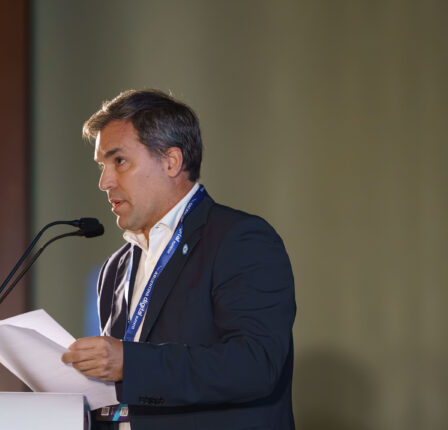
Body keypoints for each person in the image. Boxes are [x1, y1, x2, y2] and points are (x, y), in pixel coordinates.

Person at [62, 89, 296, 430]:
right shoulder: (116, 267)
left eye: (119, 161)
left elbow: (256, 365)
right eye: (102, 166)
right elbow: (122, 398)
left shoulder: (239, 239)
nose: (104, 181)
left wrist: (130, 363)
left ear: (171, 161)